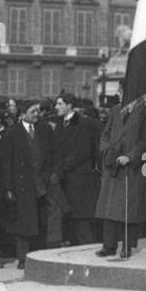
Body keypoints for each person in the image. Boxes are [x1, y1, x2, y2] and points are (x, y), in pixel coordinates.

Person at [94, 94, 146, 258]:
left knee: (129, 208)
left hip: (131, 166)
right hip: (112, 164)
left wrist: (131, 156)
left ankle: (127, 246)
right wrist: (106, 149)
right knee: (110, 207)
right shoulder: (116, 110)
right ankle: (109, 246)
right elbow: (105, 133)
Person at [0, 100, 55, 267]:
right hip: (21, 184)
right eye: (32, 112)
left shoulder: (45, 130)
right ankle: (23, 258)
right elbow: (6, 162)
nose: (36, 114)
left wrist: (50, 174)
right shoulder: (12, 133)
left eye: (37, 111)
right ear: (22, 114)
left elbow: (53, 154)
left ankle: (38, 256)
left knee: (41, 221)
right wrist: (7, 187)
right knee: (23, 223)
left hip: (41, 183)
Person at [52, 92, 100, 245]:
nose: (56, 107)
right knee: (70, 215)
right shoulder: (59, 124)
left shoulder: (83, 123)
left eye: (59, 104)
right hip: (65, 177)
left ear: (69, 105)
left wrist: (63, 166)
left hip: (79, 177)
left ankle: (87, 247)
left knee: (82, 217)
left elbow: (83, 151)